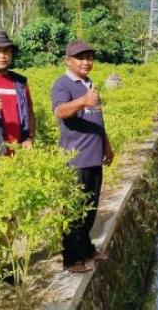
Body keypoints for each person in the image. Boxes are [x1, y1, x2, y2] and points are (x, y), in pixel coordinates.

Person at [52, 40, 114, 273]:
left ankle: (87, 249)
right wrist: (82, 101)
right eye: (81, 57)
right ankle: (71, 259)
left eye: (89, 57)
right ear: (68, 60)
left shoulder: (89, 83)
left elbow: (98, 117)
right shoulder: (63, 84)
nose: (86, 61)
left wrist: (106, 145)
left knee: (90, 209)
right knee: (74, 211)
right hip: (75, 159)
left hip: (94, 156)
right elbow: (60, 111)